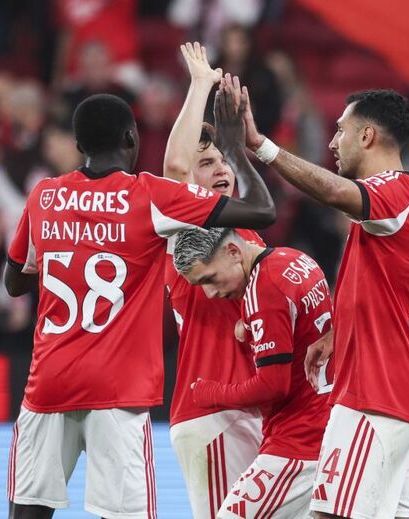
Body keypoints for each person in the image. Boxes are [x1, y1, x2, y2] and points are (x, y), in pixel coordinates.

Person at [3, 80, 274, 519]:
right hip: (118, 387)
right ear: (132, 138)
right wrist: (235, 144)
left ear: (76, 144)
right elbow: (264, 210)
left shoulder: (44, 196)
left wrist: (73, 246)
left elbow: (14, 283)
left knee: (27, 512)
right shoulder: (147, 196)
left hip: (49, 379)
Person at [240, 87, 409, 518]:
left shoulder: (395, 193)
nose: (333, 143)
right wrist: (337, 332)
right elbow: (389, 285)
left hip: (372, 394)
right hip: (394, 394)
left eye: (340, 131)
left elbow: (333, 192)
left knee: (328, 514)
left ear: (367, 136)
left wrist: (262, 146)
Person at [163, 42, 264, 519]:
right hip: (214, 417)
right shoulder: (182, 231)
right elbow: (175, 170)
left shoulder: (240, 234)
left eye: (222, 161)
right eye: (209, 164)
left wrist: (241, 148)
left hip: (246, 409)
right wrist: (201, 87)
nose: (221, 168)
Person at [172, 227, 333, 518]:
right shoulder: (295, 259)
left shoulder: (265, 287)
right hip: (325, 429)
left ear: (233, 252)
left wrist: (210, 393)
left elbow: (273, 386)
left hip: (297, 443)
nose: (211, 293)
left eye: (209, 279)